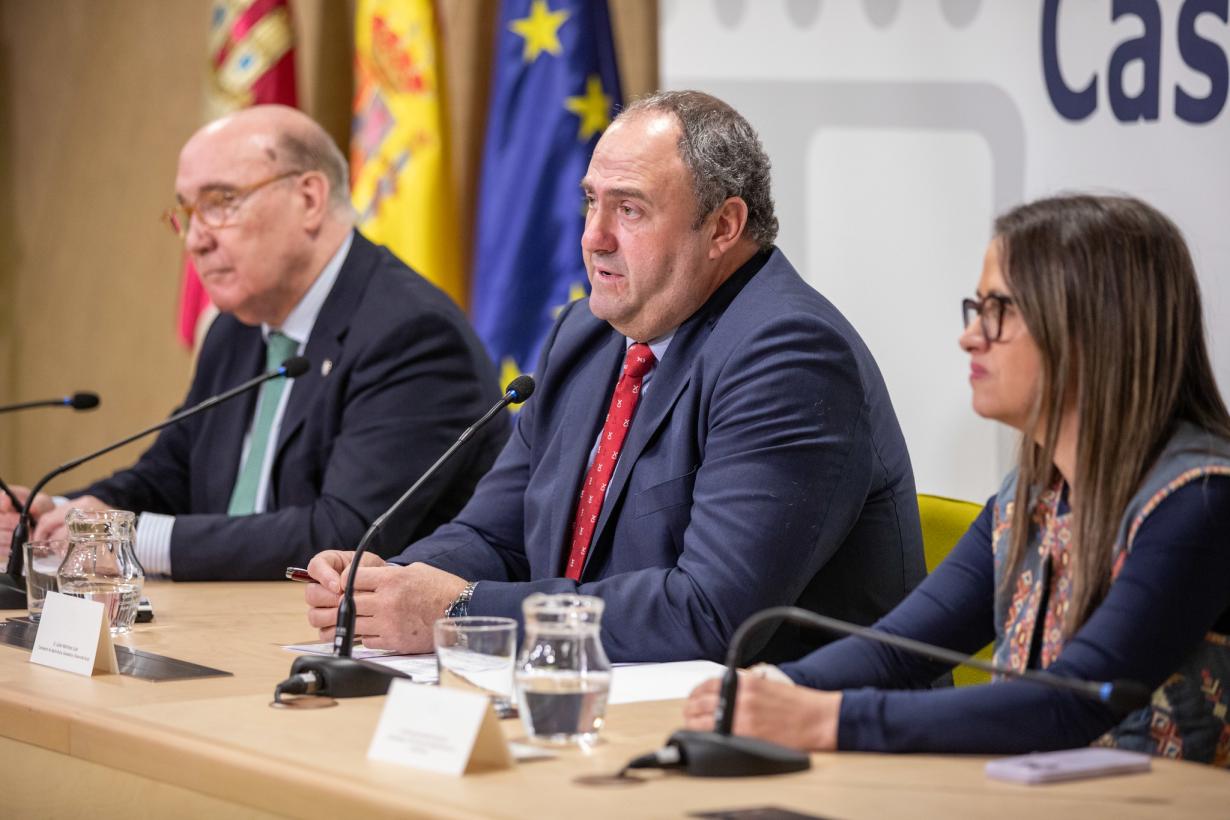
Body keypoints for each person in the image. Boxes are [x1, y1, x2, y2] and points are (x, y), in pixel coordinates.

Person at [303, 90, 925, 663]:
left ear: (723, 227)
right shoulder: (589, 333)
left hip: (793, 743)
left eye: (629, 209)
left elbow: (711, 615)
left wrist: (456, 611)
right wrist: (393, 580)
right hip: (612, 697)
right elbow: (496, 534)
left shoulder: (788, 355)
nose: (593, 238)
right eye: (591, 202)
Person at [683, 194, 1230, 764]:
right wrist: (767, 690)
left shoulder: (1200, 500)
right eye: (978, 309)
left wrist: (826, 720)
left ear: (1092, 326)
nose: (970, 337)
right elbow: (899, 653)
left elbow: (1070, 704)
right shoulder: (1030, 499)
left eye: (1000, 310)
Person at [2, 105, 505, 580]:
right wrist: (61, 513)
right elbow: (170, 474)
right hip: (240, 624)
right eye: (188, 212)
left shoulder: (411, 332)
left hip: (365, 650)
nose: (196, 238)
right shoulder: (238, 325)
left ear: (308, 199)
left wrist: (129, 539)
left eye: (220, 203)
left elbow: (344, 535)